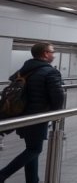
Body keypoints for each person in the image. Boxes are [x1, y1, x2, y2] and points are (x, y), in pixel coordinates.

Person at [0, 42, 64, 183]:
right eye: (52, 52)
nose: (53, 54)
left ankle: (32, 179)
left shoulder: (24, 70)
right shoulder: (50, 71)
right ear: (45, 53)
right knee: (34, 149)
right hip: (38, 115)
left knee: (31, 147)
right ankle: (3, 174)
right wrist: (56, 113)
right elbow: (58, 96)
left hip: (22, 114)